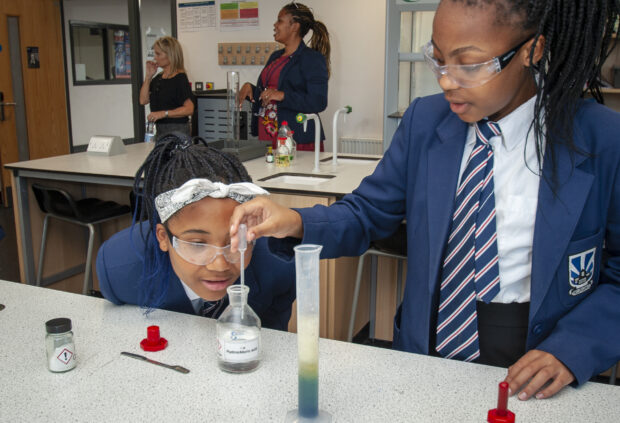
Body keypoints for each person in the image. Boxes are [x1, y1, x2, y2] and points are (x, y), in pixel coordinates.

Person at [230, 0, 620, 400]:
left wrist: (572, 349)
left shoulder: (600, 139)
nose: (447, 81)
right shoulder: (426, 120)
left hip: (533, 359)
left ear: (531, 51)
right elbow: (367, 212)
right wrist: (294, 221)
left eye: (468, 64)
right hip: (425, 353)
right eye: (438, 58)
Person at [96, 134, 296, 330]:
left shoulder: (279, 267)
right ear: (163, 238)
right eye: (198, 244)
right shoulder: (118, 271)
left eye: (235, 240)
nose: (219, 266)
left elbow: (272, 342)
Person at [238, 2, 330, 151]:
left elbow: (318, 101)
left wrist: (283, 96)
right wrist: (252, 89)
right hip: (268, 138)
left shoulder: (312, 59)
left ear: (295, 26)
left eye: (280, 20)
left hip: (297, 139)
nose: (275, 25)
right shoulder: (276, 56)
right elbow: (273, 91)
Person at [139, 36, 194, 142]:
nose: (155, 58)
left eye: (158, 54)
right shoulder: (158, 78)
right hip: (160, 131)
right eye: (155, 54)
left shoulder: (180, 78)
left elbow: (189, 109)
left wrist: (163, 113)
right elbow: (143, 100)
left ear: (170, 55)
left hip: (177, 131)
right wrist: (148, 77)